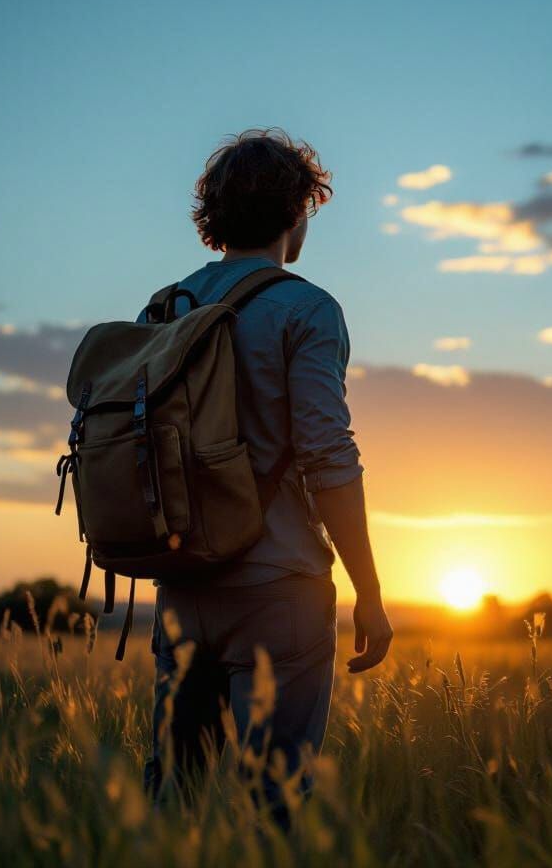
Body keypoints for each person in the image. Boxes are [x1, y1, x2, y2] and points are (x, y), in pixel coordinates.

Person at [141, 128, 393, 809]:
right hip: (279, 585)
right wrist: (369, 589)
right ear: (299, 209)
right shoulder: (306, 309)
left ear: (213, 217)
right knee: (273, 808)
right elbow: (327, 455)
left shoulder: (164, 310)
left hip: (182, 585)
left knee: (174, 806)